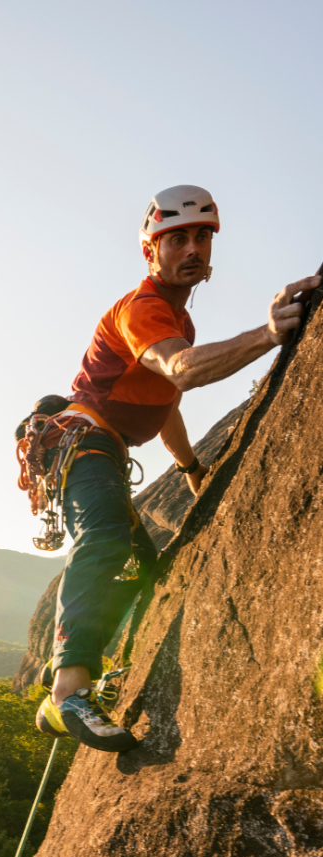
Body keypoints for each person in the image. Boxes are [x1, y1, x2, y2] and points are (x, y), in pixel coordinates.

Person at [32, 184, 321, 752]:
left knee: (142, 568)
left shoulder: (174, 318)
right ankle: (68, 691)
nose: (192, 249)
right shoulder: (142, 309)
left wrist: (191, 468)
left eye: (202, 237)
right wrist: (270, 332)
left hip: (104, 452)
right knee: (107, 538)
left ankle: (57, 691)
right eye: (176, 239)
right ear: (150, 250)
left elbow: (165, 405)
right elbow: (182, 372)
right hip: (84, 445)